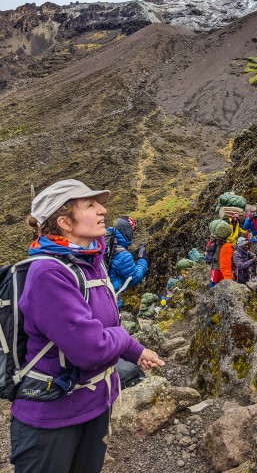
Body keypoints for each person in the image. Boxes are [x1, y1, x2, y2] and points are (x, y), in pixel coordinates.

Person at [10, 179, 164, 473]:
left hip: (94, 406)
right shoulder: (48, 274)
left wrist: (136, 351)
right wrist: (121, 336)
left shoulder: (90, 262)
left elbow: (102, 324)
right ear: (65, 222)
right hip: (52, 418)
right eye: (91, 205)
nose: (103, 210)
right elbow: (91, 349)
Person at [106, 216, 148, 308]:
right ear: (128, 231)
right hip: (110, 300)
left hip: (97, 296)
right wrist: (142, 260)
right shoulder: (123, 255)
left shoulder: (105, 242)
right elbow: (135, 278)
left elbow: (115, 263)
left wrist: (132, 256)